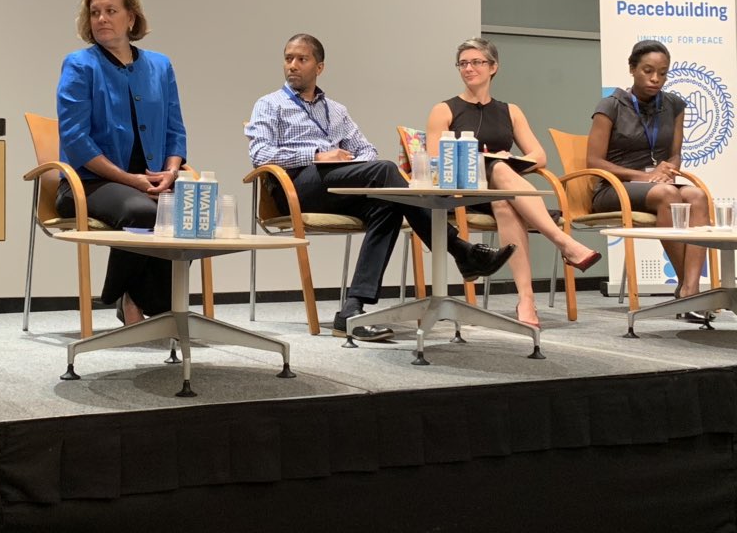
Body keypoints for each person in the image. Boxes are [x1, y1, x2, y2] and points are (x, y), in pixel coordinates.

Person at [246, 33, 516, 342]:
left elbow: (367, 151)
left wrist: (346, 162)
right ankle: (459, 249)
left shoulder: (336, 110)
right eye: (288, 58)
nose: (292, 65)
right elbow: (261, 155)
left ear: (319, 67)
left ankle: (351, 310)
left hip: (336, 186)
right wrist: (318, 156)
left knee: (387, 203)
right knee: (386, 170)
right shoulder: (270, 104)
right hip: (295, 186)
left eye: (301, 59)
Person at [427, 38, 601, 328]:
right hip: (464, 191)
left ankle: (526, 299)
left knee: (505, 199)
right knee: (499, 173)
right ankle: (563, 242)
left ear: (493, 67)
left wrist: (507, 160)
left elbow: (539, 156)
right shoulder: (444, 110)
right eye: (463, 63)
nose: (469, 68)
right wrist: (482, 160)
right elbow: (436, 159)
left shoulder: (511, 111)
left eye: (477, 62)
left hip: (501, 193)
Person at [56, 0, 185, 325]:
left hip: (154, 180)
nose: (101, 18)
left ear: (131, 17)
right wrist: (132, 179)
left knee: (189, 212)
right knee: (144, 212)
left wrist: (171, 172)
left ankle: (158, 305)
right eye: (95, 11)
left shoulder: (160, 66)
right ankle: (123, 296)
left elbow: (175, 131)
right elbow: (75, 139)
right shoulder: (80, 65)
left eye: (111, 10)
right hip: (88, 182)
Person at [587, 40, 710, 320]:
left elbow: (676, 154)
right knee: (668, 194)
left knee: (697, 195)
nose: (656, 79)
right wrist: (644, 176)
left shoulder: (674, 105)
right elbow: (593, 162)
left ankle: (689, 290)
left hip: (657, 183)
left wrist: (668, 166)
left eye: (663, 73)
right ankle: (687, 289)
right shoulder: (611, 105)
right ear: (632, 69)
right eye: (648, 71)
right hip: (614, 187)